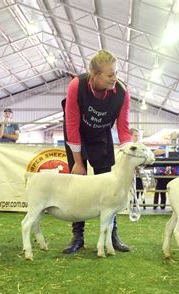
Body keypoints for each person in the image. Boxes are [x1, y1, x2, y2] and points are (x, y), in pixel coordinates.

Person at [62, 49, 132, 254]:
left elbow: (124, 129)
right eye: (110, 75)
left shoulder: (122, 92)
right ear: (95, 75)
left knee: (109, 187)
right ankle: (78, 235)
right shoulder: (77, 85)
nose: (115, 78)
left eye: (116, 73)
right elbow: (72, 124)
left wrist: (130, 155)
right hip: (77, 138)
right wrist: (78, 161)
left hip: (101, 136)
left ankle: (112, 233)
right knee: (78, 186)